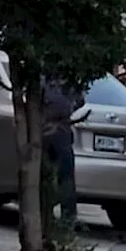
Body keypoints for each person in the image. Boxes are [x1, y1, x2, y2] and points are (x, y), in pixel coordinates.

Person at [42, 77, 87, 225]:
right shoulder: (41, 78)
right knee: (44, 177)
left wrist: (68, 110)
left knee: (66, 176)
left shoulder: (69, 79)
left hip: (62, 130)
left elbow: (80, 101)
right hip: (43, 131)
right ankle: (45, 215)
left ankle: (68, 218)